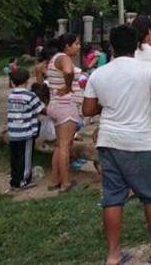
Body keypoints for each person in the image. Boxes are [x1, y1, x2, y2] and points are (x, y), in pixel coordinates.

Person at [82, 24, 151, 264]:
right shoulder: (148, 71)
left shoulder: (99, 73)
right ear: (137, 44)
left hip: (109, 141)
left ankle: (114, 254)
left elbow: (87, 109)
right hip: (140, 142)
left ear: (111, 47)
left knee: (113, 198)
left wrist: (108, 103)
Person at [46, 33, 83, 192]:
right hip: (65, 106)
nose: (79, 46)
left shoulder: (54, 59)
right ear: (67, 46)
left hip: (55, 105)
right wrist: (68, 87)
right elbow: (68, 72)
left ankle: (55, 180)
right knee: (65, 146)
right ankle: (65, 183)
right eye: (76, 43)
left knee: (59, 145)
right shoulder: (64, 58)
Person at [7, 67, 44, 190]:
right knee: (26, 158)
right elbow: (41, 109)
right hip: (26, 132)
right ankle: (24, 181)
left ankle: (15, 180)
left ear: (12, 82)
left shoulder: (11, 95)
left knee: (15, 157)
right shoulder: (30, 95)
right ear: (27, 80)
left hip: (13, 132)